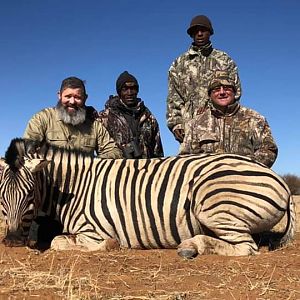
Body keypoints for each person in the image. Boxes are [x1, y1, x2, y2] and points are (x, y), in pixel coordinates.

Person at [167, 14, 242, 143]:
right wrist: (176, 124)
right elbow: (173, 97)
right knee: (192, 163)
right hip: (189, 128)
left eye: (203, 30)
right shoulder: (179, 64)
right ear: (191, 34)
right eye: (195, 31)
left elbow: (236, 91)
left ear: (210, 33)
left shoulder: (224, 60)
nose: (200, 34)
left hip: (221, 126)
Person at [179, 71, 278, 168]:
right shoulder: (195, 123)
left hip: (246, 179)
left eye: (227, 88)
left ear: (234, 92)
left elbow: (269, 150)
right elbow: (186, 156)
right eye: (216, 89)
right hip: (207, 180)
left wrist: (244, 168)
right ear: (210, 95)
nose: (222, 92)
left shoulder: (254, 119)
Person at [24, 76, 122, 159]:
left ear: (85, 98)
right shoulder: (42, 118)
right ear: (59, 95)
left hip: (86, 179)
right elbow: (27, 148)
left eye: (77, 97)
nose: (72, 101)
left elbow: (113, 151)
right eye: (68, 96)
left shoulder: (94, 125)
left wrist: (94, 163)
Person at [98, 71, 164, 158]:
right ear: (119, 92)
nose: (129, 93)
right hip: (117, 169)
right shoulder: (105, 118)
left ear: (137, 91)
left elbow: (157, 151)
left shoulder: (149, 118)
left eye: (133, 88)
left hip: (147, 169)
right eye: (124, 89)